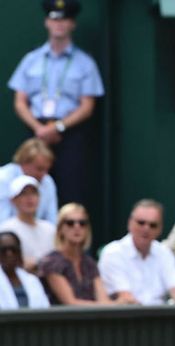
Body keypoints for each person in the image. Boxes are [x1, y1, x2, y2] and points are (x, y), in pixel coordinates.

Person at [7, 0, 105, 206]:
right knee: (29, 188)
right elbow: (20, 101)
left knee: (71, 189)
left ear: (72, 24)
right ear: (46, 22)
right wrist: (39, 128)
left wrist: (57, 127)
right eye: (54, 19)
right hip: (36, 133)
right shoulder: (31, 59)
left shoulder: (84, 63)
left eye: (65, 20)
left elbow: (87, 106)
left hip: (68, 135)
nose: (59, 24)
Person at [98, 199, 175, 306]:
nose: (146, 229)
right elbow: (126, 299)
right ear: (130, 223)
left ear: (160, 229)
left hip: (161, 317)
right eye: (141, 223)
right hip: (127, 318)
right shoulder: (113, 253)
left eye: (153, 225)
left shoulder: (164, 252)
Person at [37, 202, 111, 304]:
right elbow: (71, 303)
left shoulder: (89, 263)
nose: (77, 227)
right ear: (60, 228)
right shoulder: (51, 262)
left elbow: (104, 300)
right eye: (70, 223)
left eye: (82, 223)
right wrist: (114, 304)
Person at [0, 175, 56, 272]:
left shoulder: (50, 229)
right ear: (13, 200)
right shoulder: (5, 230)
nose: (29, 198)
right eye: (23, 194)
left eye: (34, 193)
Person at [0, 139, 58, 224]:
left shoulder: (48, 181)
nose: (44, 174)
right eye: (40, 169)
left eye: (47, 169)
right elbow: (2, 221)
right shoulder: (3, 178)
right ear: (24, 162)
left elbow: (52, 220)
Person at [0, 231, 50, 309]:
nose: (9, 254)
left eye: (13, 250)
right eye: (4, 250)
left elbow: (45, 308)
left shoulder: (32, 280)